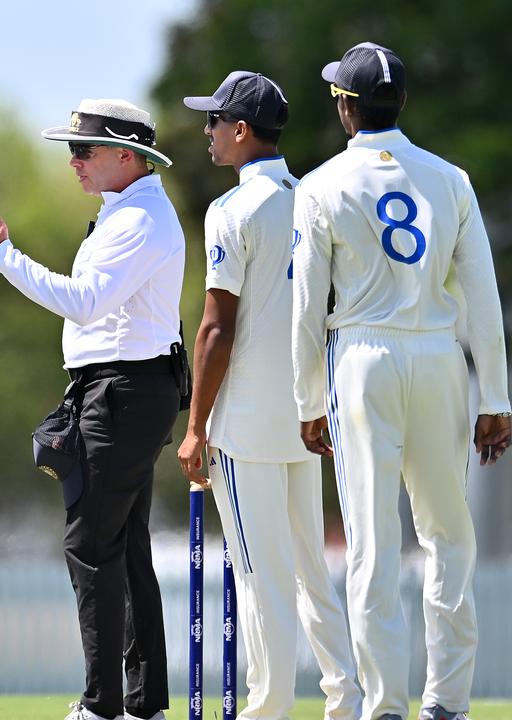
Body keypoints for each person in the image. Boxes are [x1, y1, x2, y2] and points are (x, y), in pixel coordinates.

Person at [292, 41, 511, 720]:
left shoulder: (322, 184)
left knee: (374, 545)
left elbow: (307, 308)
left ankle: (384, 705)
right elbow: (482, 296)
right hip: (442, 358)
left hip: (361, 361)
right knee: (449, 537)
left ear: (345, 108)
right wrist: (497, 397)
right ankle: (446, 703)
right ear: (404, 101)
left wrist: (307, 400)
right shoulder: (452, 179)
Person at [0, 99, 182, 720]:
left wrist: (1, 256)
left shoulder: (139, 220)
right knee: (123, 547)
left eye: (85, 150)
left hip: (124, 390)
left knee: (92, 546)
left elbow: (84, 304)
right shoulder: (125, 213)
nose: (74, 161)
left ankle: (104, 705)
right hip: (122, 387)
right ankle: (141, 702)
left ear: (125, 156)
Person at [175, 71, 362, 720]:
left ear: (242, 130)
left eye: (215, 121)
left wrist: (197, 426)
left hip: (248, 428)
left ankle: (267, 710)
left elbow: (215, 327)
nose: (208, 133)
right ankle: (347, 702)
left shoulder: (232, 210)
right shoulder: (314, 199)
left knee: (261, 580)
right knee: (312, 570)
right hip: (306, 418)